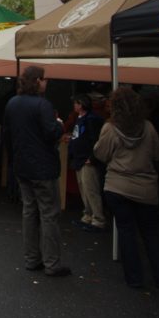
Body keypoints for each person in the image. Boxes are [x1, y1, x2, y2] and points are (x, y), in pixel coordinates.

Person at [94, 87, 159, 289]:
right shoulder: (148, 127)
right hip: (145, 188)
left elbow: (101, 154)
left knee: (126, 232)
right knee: (151, 233)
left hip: (117, 186)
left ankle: (134, 278)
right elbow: (158, 154)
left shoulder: (110, 128)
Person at [2, 65, 70, 277]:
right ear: (37, 81)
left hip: (22, 166)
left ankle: (32, 259)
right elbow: (51, 133)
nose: (46, 82)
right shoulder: (43, 105)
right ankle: (52, 263)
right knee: (49, 214)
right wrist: (59, 125)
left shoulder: (12, 103)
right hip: (43, 168)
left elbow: (6, 134)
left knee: (29, 212)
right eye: (44, 79)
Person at [64, 94, 106, 232]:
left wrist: (92, 157)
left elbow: (96, 140)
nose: (74, 106)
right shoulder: (81, 118)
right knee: (84, 188)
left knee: (91, 189)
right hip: (79, 158)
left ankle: (98, 218)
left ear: (81, 104)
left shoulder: (92, 119)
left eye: (76, 103)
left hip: (86, 158)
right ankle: (88, 215)